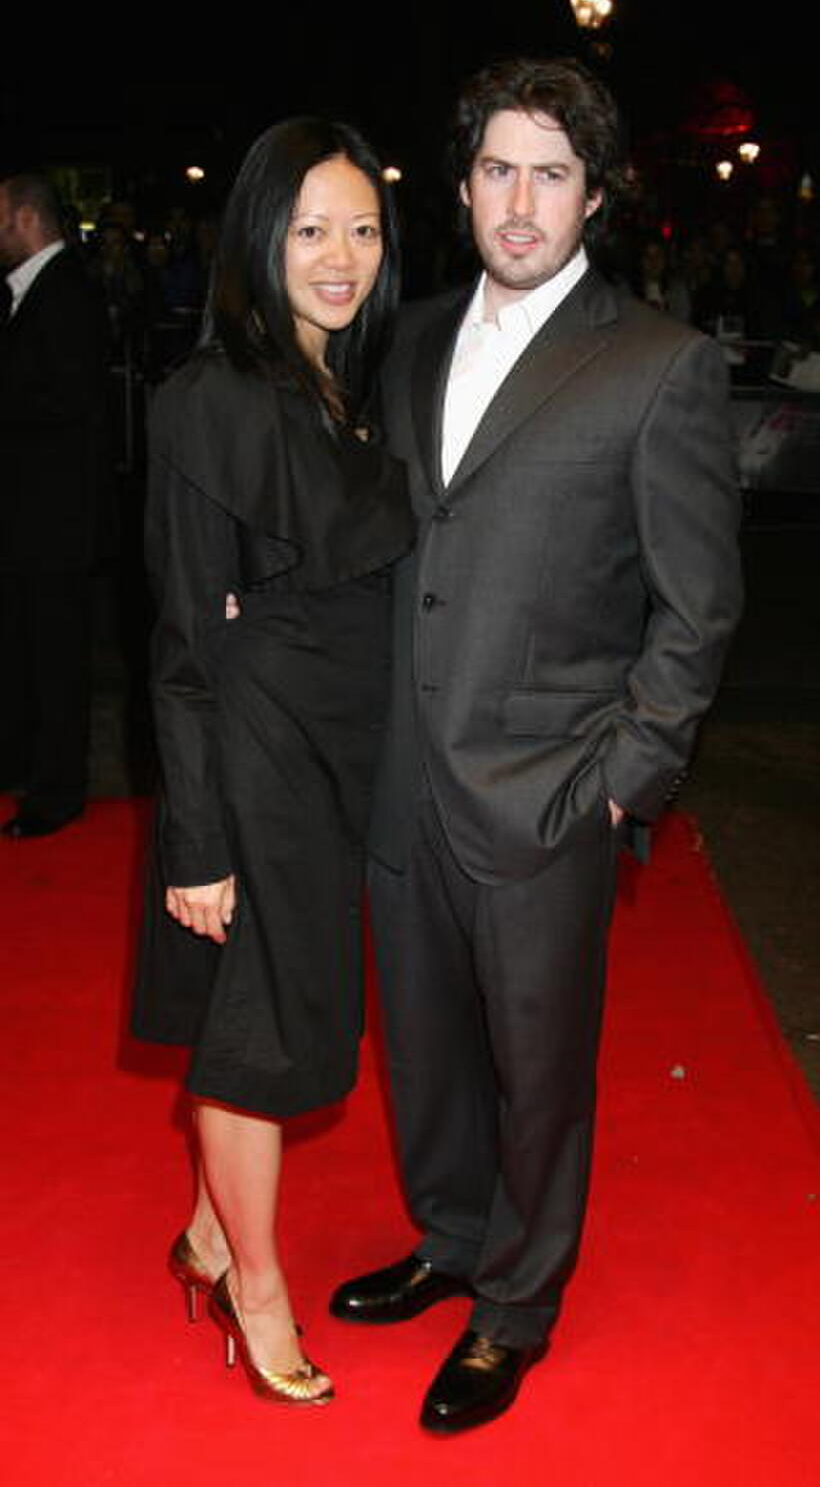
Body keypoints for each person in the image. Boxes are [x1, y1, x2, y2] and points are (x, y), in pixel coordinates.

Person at [330, 58, 743, 1433]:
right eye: (498, 170)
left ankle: (516, 1302)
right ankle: (451, 1236)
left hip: (548, 792)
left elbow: (697, 609)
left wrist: (623, 782)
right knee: (431, 1048)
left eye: (550, 174)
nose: (521, 201)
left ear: (595, 194)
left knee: (538, 1064)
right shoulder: (410, 339)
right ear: (459, 188)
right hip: (405, 773)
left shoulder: (659, 365)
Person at [131, 118, 412, 1405]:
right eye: (309, 230)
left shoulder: (347, 385)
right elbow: (183, 637)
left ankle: (202, 1233)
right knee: (258, 1035)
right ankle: (254, 1286)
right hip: (252, 764)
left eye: (360, 227)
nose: (339, 256)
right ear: (260, 237)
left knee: (286, 1020)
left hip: (337, 754)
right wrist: (196, 839)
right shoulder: (210, 401)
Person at [0, 172, 110, 837]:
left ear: (23, 218)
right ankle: (21, 766)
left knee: (57, 660)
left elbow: (68, 404)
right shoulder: (28, 294)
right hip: (28, 518)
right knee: (23, 653)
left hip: (54, 520)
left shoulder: (66, 292)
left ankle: (57, 793)